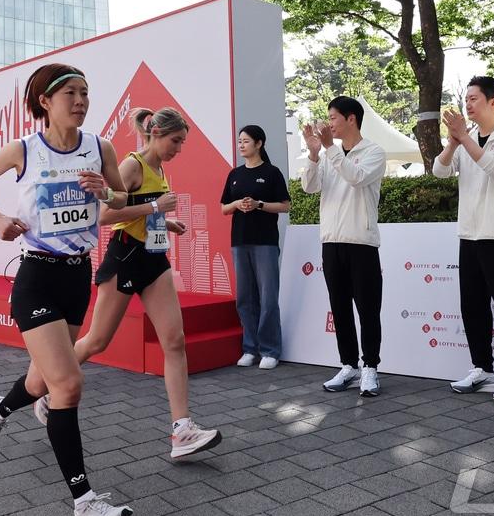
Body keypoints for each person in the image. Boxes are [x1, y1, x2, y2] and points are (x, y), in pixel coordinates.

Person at [0, 63, 135, 516]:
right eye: (71, 94)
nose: (81, 101)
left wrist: (111, 191)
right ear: (45, 100)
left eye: (86, 92)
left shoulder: (100, 147)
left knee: (42, 379)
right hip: (37, 275)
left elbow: (119, 201)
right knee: (68, 384)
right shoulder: (24, 149)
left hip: (76, 276)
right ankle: (84, 504)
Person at [34, 107, 221, 460]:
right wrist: (154, 209)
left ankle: (182, 430)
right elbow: (104, 215)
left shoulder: (160, 168)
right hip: (124, 259)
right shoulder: (132, 164)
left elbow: (144, 212)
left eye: (181, 143)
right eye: (175, 141)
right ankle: (47, 388)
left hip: (153, 260)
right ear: (156, 134)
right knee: (97, 341)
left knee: (175, 341)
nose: (177, 149)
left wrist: (166, 223)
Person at [433, 77, 494, 405]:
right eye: (466, 99)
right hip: (470, 235)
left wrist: (464, 139)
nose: (468, 105)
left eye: (474, 98)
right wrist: (453, 142)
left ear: (493, 102)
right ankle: (482, 367)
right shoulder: (467, 138)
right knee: (472, 306)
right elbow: (439, 171)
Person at [300, 97, 387, 397]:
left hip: (361, 243)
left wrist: (329, 148)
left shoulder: (374, 151)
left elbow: (356, 177)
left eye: (333, 117)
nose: (329, 123)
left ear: (351, 119)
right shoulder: (326, 155)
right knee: (339, 307)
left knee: (368, 309)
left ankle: (370, 368)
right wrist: (314, 153)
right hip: (331, 243)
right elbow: (309, 187)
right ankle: (348, 364)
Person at [221, 125, 290, 370]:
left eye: (246, 141)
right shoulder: (234, 174)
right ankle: (250, 348)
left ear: (259, 143)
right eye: (240, 141)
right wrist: (238, 203)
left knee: (268, 297)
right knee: (245, 298)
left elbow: (285, 206)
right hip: (240, 241)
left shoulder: (272, 173)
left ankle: (270, 349)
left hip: (265, 242)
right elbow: (223, 208)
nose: (241, 145)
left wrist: (259, 204)